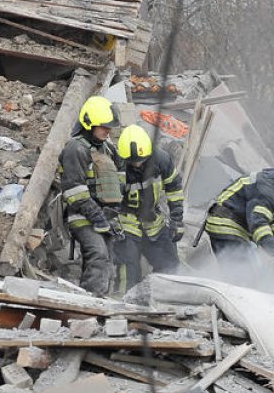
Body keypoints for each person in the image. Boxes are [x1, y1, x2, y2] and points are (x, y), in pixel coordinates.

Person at [205, 161, 274, 281]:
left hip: (233, 225)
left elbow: (272, 221)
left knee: (249, 274)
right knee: (244, 277)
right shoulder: (267, 191)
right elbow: (259, 224)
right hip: (225, 225)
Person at [57, 95, 122, 296]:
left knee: (110, 258)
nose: (107, 130)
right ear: (89, 124)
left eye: (109, 126)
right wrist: (97, 216)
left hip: (103, 215)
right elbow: (74, 191)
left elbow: (118, 177)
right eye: (103, 126)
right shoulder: (75, 148)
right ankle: (91, 304)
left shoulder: (107, 148)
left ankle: (99, 299)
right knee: (98, 254)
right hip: (81, 215)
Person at [113, 124, 185, 289]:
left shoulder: (162, 160)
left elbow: (174, 190)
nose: (137, 164)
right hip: (126, 223)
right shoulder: (117, 164)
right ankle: (123, 305)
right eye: (133, 161)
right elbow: (110, 200)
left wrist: (177, 220)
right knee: (129, 268)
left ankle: (160, 298)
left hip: (153, 222)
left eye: (141, 160)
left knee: (170, 264)